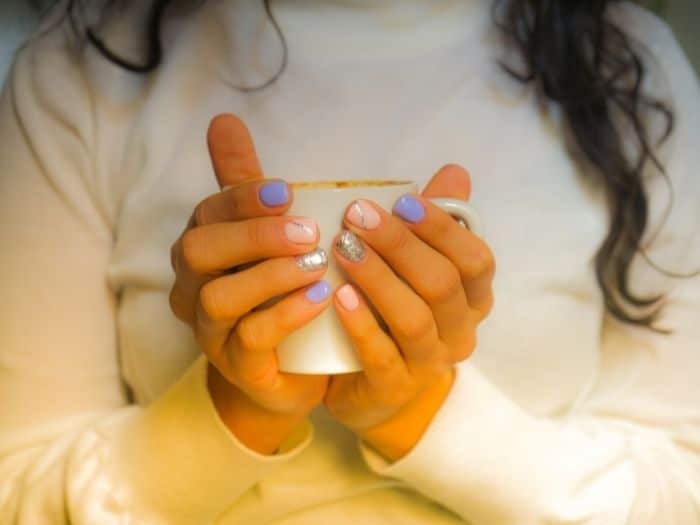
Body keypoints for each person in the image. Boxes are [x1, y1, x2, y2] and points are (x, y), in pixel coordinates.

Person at [1, 0, 699, 523]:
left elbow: (685, 486)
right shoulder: (79, 67)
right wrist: (237, 406)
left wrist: (422, 412)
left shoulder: (628, 66)